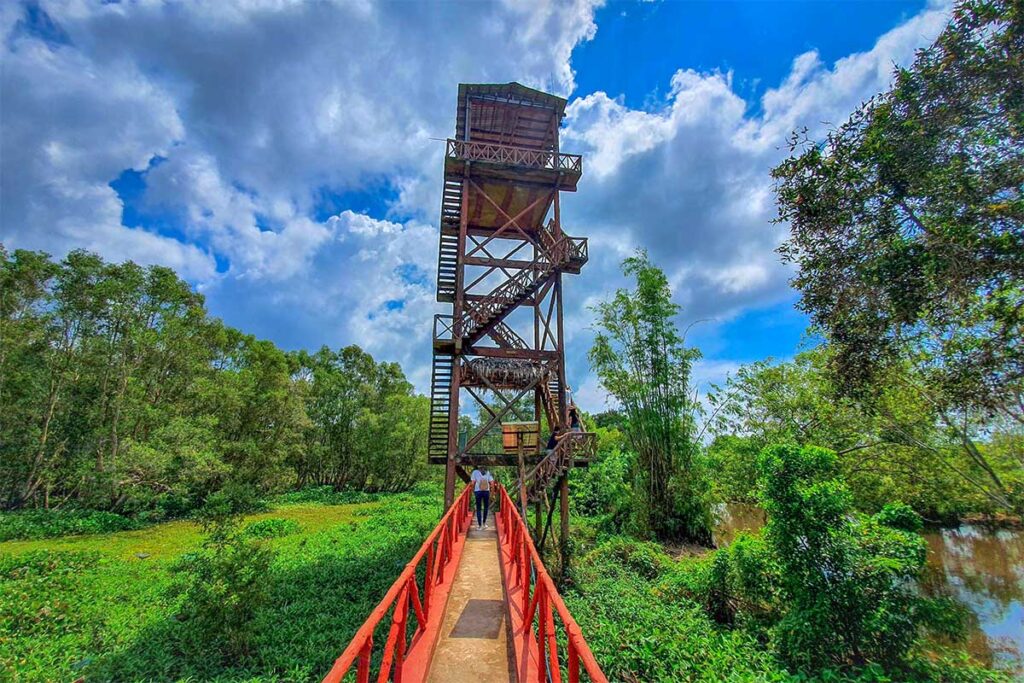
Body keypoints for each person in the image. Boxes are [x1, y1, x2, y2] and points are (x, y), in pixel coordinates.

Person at [470, 466, 494, 530]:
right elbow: (492, 483)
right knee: (486, 508)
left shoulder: (475, 472)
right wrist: (492, 493)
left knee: (478, 508)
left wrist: (473, 491)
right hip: (486, 492)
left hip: (478, 492)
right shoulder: (488, 472)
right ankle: (484, 524)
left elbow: (472, 483)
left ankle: (480, 526)